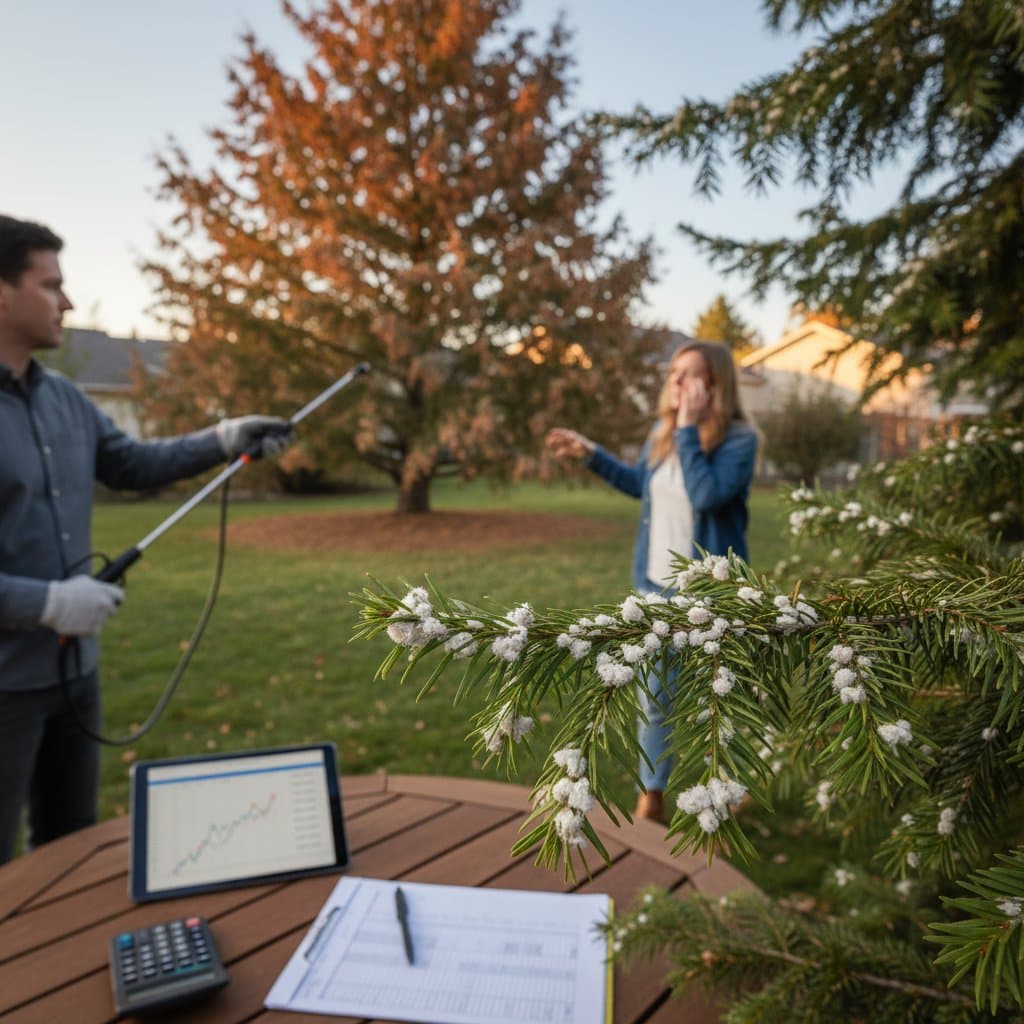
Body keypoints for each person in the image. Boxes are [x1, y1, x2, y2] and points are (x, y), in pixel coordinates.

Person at [0, 215, 291, 863]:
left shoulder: (66, 400)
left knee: (69, 849)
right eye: (51, 285)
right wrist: (44, 602)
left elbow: (131, 464)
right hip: (4, 688)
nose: (67, 302)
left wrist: (223, 438)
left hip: (75, 673)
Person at [546, 340, 758, 821]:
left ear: (715, 384)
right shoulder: (663, 433)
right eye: (674, 373)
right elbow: (643, 485)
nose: (676, 382)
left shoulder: (738, 440)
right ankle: (652, 793)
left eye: (690, 374)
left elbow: (705, 496)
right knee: (655, 699)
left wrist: (687, 427)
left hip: (711, 595)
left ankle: (727, 787)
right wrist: (592, 454)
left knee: (716, 698)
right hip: (655, 589)